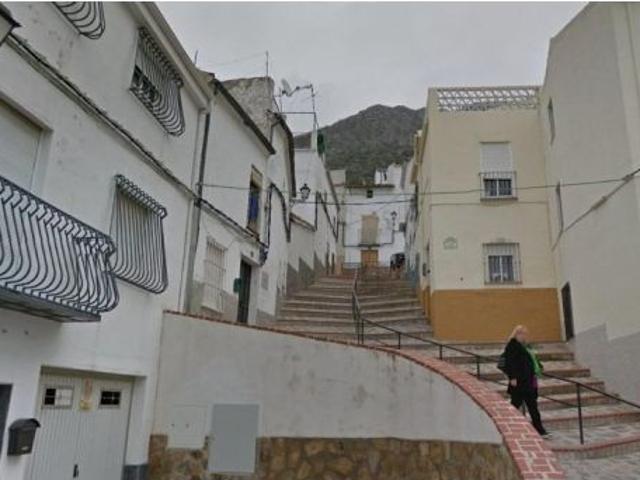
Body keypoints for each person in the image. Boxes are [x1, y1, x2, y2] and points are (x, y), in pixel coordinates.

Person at [504, 325, 552, 439]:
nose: (525, 336)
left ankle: (540, 430)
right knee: (517, 405)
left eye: (525, 334)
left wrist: (539, 366)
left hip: (528, 380)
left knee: (531, 406)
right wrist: (512, 378)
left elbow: (531, 360)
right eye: (523, 334)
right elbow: (509, 363)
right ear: (517, 333)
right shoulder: (512, 345)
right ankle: (506, 425)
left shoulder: (525, 346)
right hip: (519, 382)